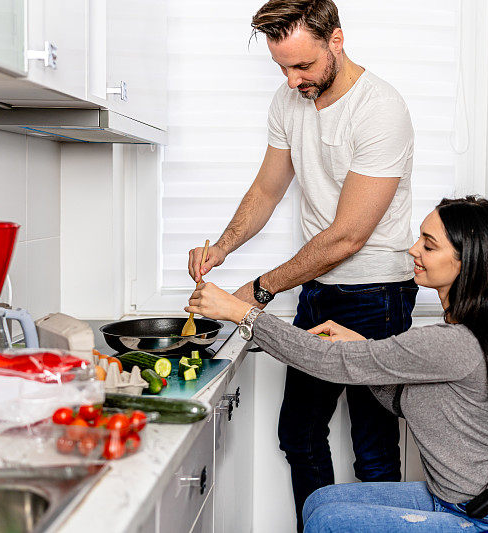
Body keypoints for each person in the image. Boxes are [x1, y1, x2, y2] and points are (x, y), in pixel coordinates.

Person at [186, 0, 417, 528]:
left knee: (374, 450)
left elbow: (348, 236)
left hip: (377, 294)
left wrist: (259, 289)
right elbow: (268, 189)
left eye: (303, 66)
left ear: (336, 40)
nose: (292, 81)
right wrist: (223, 247)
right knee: (300, 435)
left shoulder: (380, 109)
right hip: (319, 289)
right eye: (282, 68)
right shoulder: (290, 100)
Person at [186, 197, 488, 532]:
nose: (413, 249)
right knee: (320, 502)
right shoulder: (475, 331)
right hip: (462, 500)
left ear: (468, 262)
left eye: (429, 246)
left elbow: (330, 362)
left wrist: (242, 313)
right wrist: (365, 350)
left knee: (329, 522)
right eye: (420, 238)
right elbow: (404, 398)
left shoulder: (451, 342)